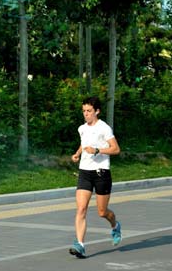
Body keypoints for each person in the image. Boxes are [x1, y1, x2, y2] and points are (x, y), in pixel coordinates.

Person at [69, 96, 122, 258]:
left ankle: (115, 225)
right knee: (81, 208)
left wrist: (98, 150)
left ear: (97, 111)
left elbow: (116, 149)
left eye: (89, 111)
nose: (86, 114)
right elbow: (84, 143)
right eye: (84, 111)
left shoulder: (104, 128)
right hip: (85, 172)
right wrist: (77, 153)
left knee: (102, 211)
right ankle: (80, 245)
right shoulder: (82, 128)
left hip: (101, 173)